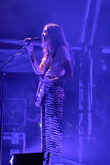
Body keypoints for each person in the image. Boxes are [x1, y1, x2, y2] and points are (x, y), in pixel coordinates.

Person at [24, 23, 73, 155]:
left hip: (54, 90)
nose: (43, 34)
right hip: (46, 92)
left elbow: (69, 74)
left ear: (54, 35)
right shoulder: (48, 53)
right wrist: (30, 52)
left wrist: (52, 80)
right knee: (45, 129)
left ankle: (53, 158)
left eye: (46, 32)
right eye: (43, 32)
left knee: (52, 128)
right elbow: (38, 72)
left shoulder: (62, 50)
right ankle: (46, 157)